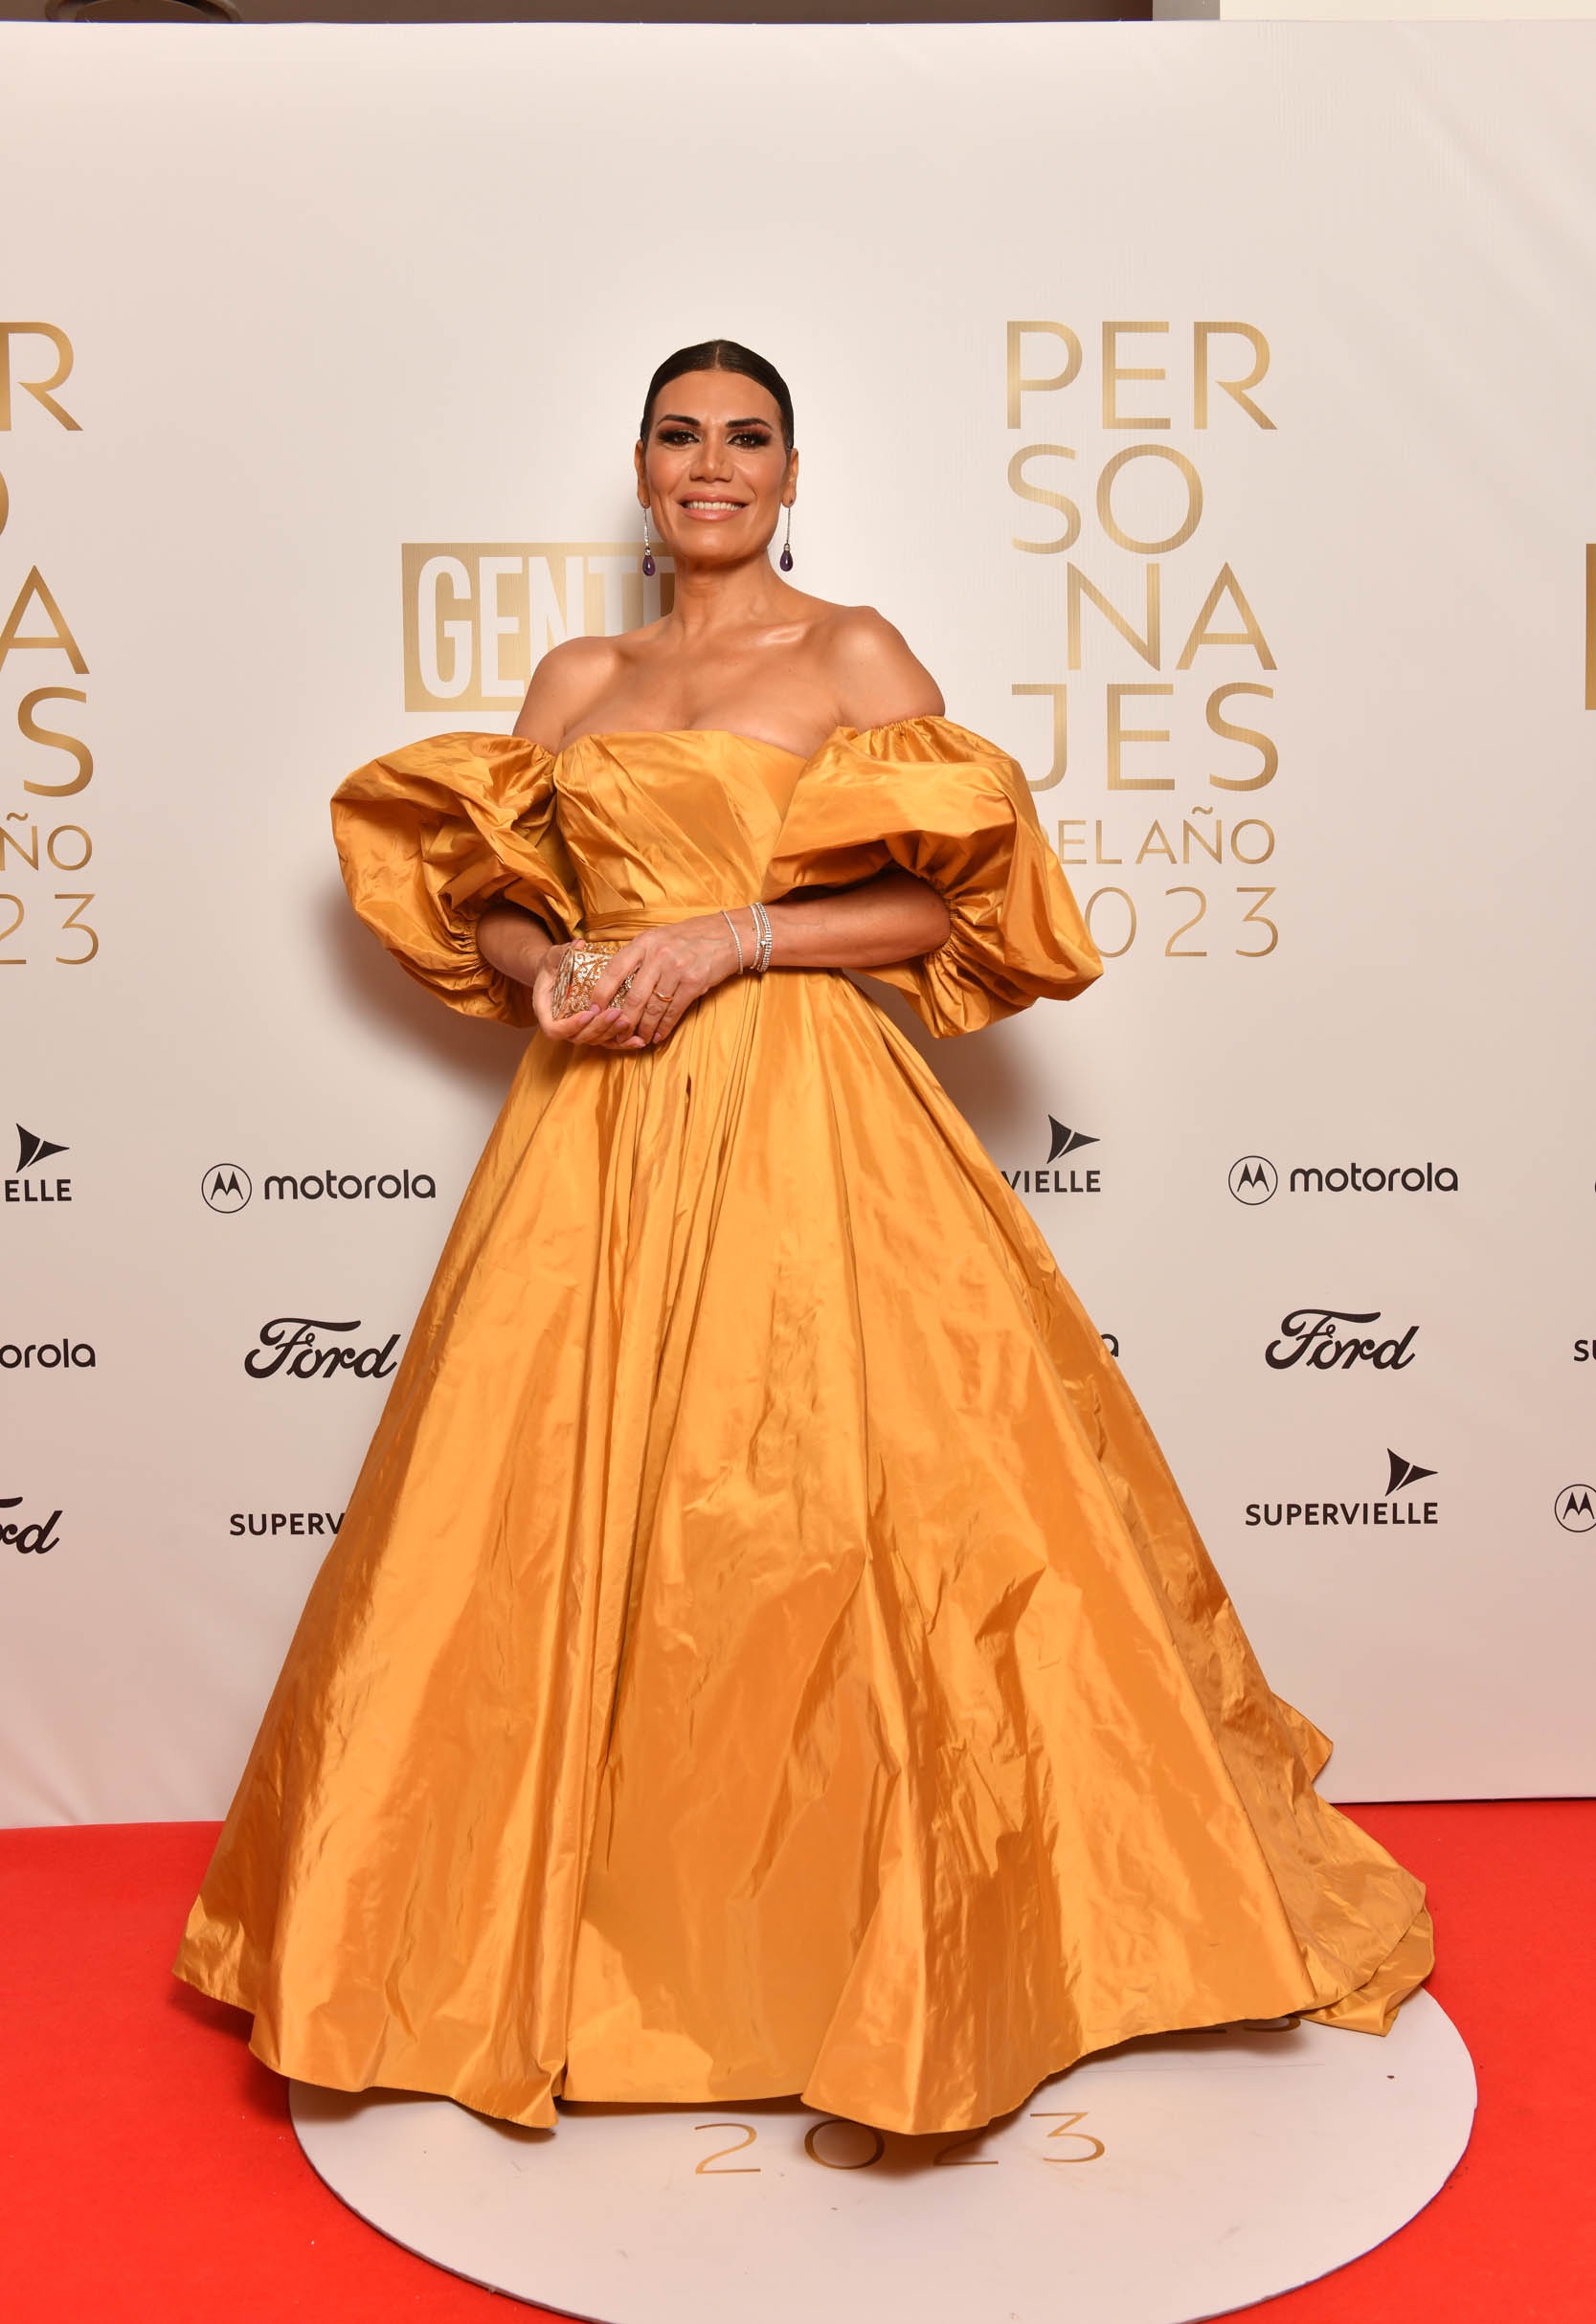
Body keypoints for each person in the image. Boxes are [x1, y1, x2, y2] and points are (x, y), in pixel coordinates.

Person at [174, 339, 1432, 2137]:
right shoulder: (579, 676)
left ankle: (890, 1944)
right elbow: (491, 901)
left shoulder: (853, 654)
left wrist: (734, 937)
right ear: (642, 469)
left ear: (788, 474)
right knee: (540, 1512)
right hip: (598, 1126)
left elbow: (950, 897)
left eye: (746, 438)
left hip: (806, 1105)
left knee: (837, 1509)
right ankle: (550, 1950)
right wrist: (551, 971)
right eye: (681, 436)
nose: (713, 464)